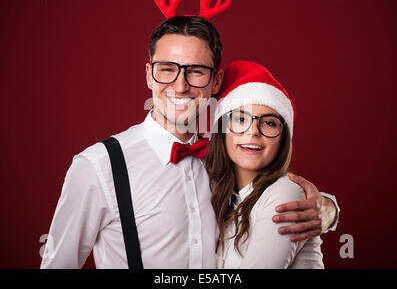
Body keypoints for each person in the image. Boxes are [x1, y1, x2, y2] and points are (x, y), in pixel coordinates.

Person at [40, 16, 338, 269]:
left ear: (216, 81)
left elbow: (266, 198)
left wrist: (326, 209)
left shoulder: (228, 157)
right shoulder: (98, 166)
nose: (180, 85)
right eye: (168, 69)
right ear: (149, 75)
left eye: (196, 71)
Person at [206, 60, 324, 268]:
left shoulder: (285, 194)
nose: (253, 131)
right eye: (241, 120)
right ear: (222, 131)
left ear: (282, 139)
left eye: (269, 123)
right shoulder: (218, 195)